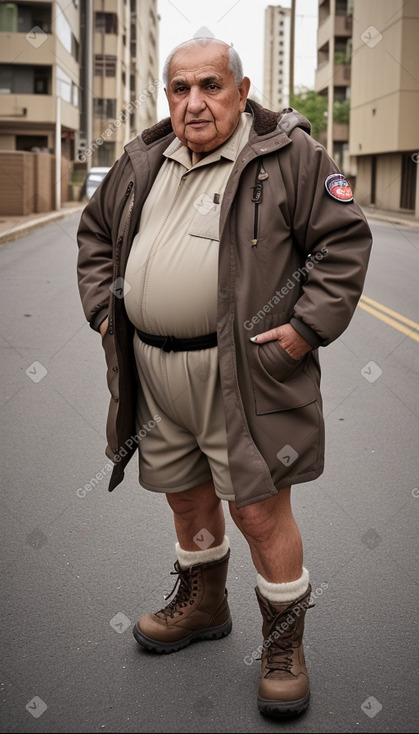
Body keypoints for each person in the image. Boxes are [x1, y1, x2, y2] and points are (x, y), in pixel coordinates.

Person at [77, 37, 372, 718]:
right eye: (179, 88)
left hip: (244, 374)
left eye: (210, 85)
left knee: (258, 510)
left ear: (242, 93)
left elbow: (341, 242)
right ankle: (204, 604)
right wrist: (102, 312)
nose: (193, 102)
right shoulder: (141, 160)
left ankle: (283, 645)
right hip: (154, 369)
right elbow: (94, 237)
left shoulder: (290, 156)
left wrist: (302, 332)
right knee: (184, 499)